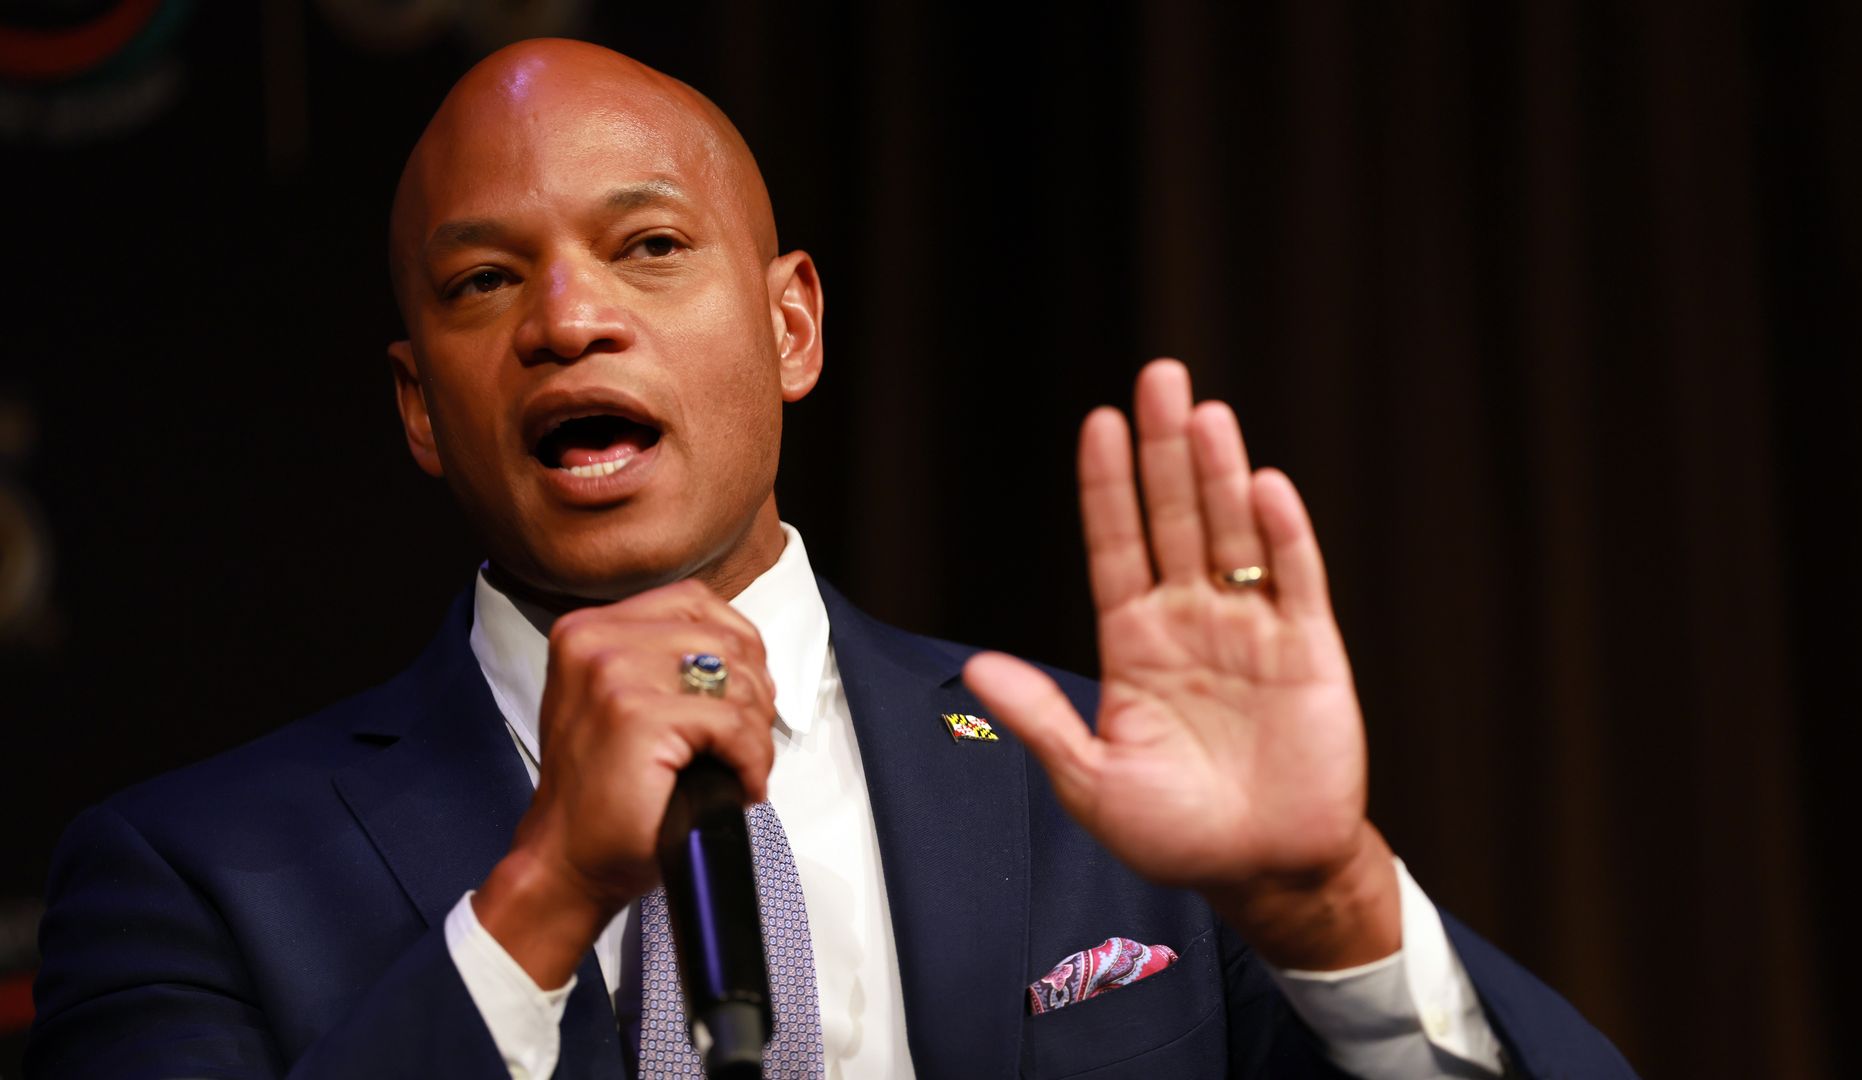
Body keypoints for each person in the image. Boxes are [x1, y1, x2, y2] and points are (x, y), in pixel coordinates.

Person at [26, 39, 1634, 1079]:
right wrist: (543, 894)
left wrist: (1329, 899)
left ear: (792, 323)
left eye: (649, 246)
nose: (569, 318)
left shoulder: (1118, 797)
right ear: (417, 408)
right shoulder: (187, 877)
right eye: (483, 283)